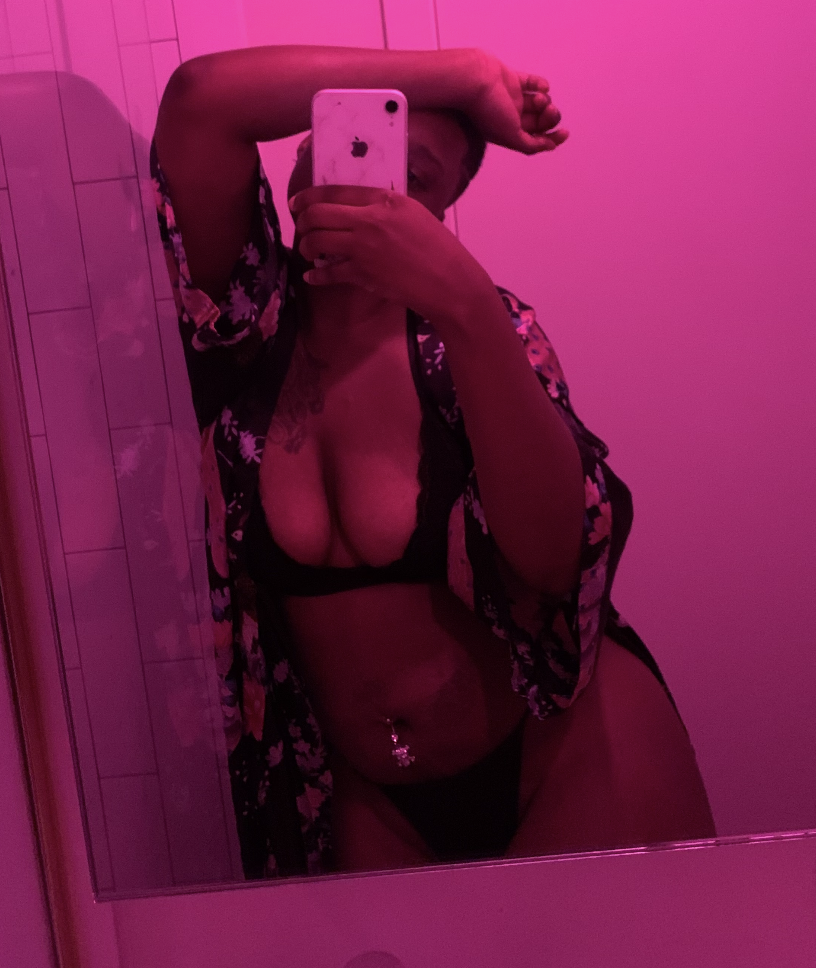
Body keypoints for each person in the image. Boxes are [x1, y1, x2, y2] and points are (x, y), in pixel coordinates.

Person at [151, 45, 716, 879]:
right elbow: (201, 99)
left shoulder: (479, 335)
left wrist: (464, 304)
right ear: (298, 156)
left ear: (443, 211)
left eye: (413, 177)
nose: (370, 185)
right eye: (346, 140)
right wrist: (462, 74)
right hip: (361, 796)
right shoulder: (244, 327)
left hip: (562, 749)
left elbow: (555, 561)